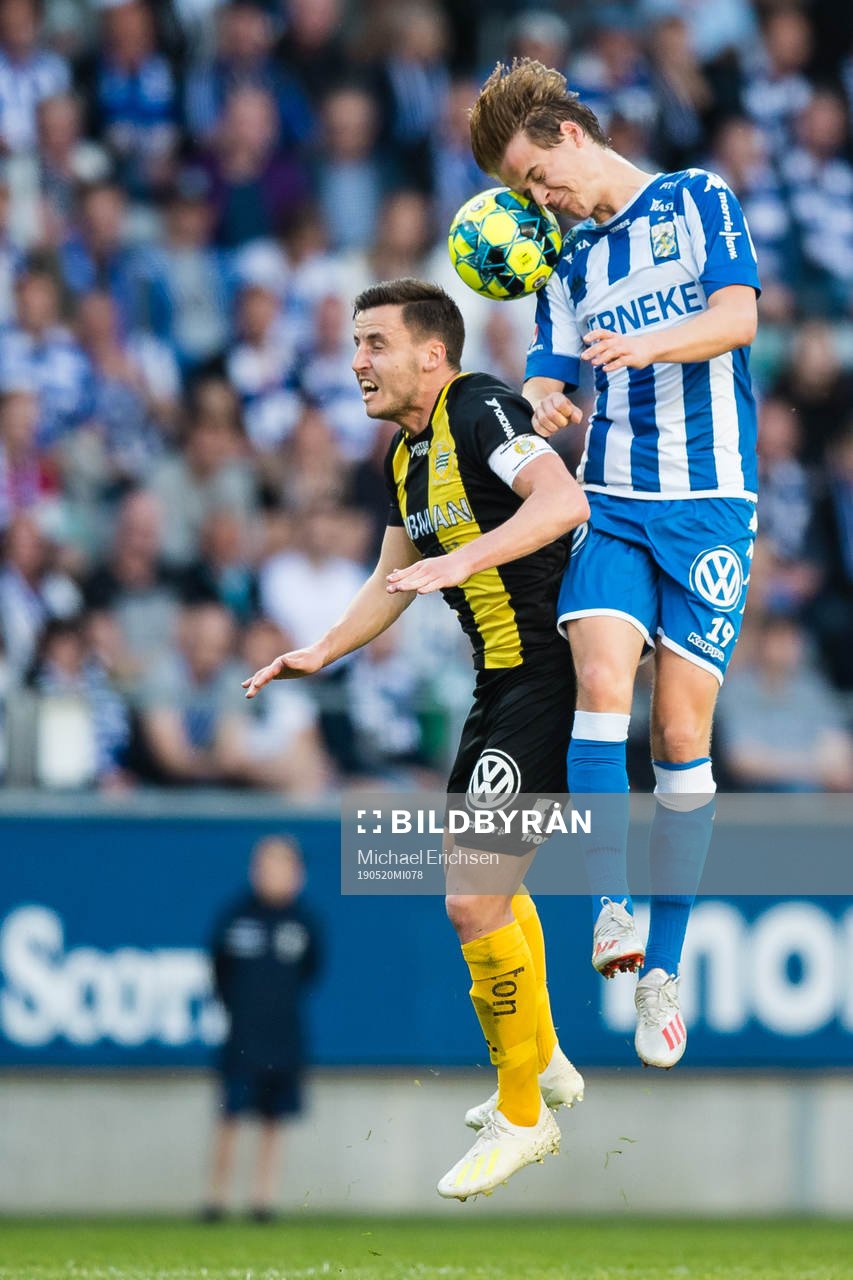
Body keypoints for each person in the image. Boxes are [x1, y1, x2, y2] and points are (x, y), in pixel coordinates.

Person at [243, 278, 589, 1201]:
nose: (358, 361)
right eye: (354, 344)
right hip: (498, 686)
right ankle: (542, 1060)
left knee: (471, 902)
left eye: (375, 343)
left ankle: (524, 1112)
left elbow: (561, 502)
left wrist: (463, 559)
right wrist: (321, 650)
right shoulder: (405, 453)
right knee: (488, 891)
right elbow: (391, 576)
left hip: (548, 677)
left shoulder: (479, 407)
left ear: (432, 354)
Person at [469, 60, 761, 1069]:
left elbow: (738, 317)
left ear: (566, 135)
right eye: (519, 193)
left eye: (533, 176)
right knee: (600, 680)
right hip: (617, 502)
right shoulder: (565, 259)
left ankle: (662, 971)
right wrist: (544, 398)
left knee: (678, 732)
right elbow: (545, 370)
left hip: (711, 505)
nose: (537, 199)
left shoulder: (694, 199)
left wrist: (652, 346)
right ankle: (608, 907)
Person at [206, 835, 322, 1220]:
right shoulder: (236, 918)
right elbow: (219, 969)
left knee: (274, 1117)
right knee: (230, 1113)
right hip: (242, 1036)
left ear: (298, 874)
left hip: (284, 1035)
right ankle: (217, 1198)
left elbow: (311, 970)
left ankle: (263, 1198)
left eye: (283, 866)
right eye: (266, 866)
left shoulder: (303, 922)